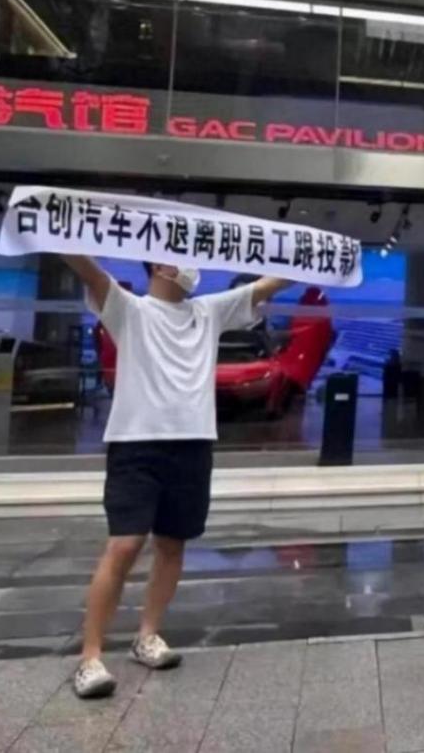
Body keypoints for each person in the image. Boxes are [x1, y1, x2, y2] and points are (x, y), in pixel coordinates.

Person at [61, 256, 291, 699]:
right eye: (178, 259)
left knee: (172, 544)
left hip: (193, 444)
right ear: (157, 267)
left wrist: (317, 256)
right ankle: (90, 657)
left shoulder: (208, 311)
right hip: (136, 445)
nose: (189, 266)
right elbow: (88, 271)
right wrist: (54, 230)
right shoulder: (129, 308)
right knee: (124, 545)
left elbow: (267, 286)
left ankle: (147, 635)